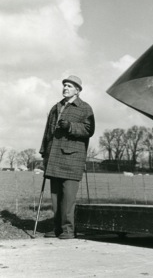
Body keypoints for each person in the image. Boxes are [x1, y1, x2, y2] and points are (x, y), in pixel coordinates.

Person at [39, 75, 95, 239]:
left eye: (70, 86)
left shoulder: (85, 108)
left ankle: (68, 230)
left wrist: (70, 126)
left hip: (72, 158)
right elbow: (47, 131)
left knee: (68, 197)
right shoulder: (56, 107)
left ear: (77, 90)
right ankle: (57, 228)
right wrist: (44, 151)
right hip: (54, 157)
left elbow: (88, 130)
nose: (65, 88)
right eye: (64, 85)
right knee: (55, 197)